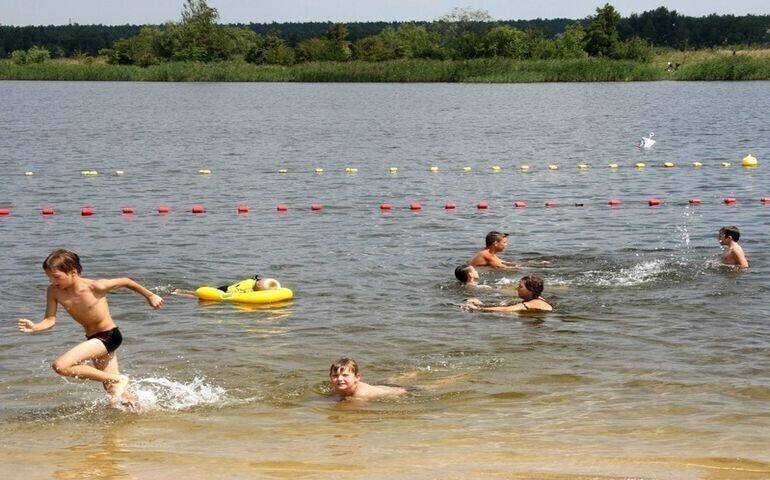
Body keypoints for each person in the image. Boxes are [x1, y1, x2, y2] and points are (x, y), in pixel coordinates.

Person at [17, 249, 164, 405]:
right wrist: (36, 327)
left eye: (56, 277)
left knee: (61, 366)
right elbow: (50, 319)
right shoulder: (54, 291)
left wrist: (150, 295)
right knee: (114, 391)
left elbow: (126, 281)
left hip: (109, 336)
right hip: (93, 339)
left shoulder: (96, 286)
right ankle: (142, 410)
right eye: (49, 277)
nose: (53, 282)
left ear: (73, 272)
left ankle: (119, 378)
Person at [463, 275, 553, 313]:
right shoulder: (535, 298)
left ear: (531, 290)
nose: (517, 288)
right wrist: (481, 304)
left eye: (520, 287)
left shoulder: (533, 303)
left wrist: (478, 309)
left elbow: (506, 310)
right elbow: (504, 305)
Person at [329, 358, 406, 400]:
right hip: (378, 387)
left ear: (357, 377)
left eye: (345, 375)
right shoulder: (335, 389)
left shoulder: (360, 394)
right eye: (335, 375)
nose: (339, 379)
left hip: (397, 391)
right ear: (330, 377)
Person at [171, 275, 281, 297]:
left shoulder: (252, 280)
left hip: (226, 287)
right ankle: (178, 292)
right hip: (225, 292)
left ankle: (179, 290)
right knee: (196, 295)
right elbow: (237, 294)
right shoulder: (247, 288)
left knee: (195, 293)